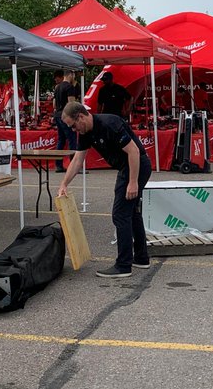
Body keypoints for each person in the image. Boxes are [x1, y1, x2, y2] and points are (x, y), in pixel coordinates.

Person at [57, 101, 151, 278]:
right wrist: (64, 184)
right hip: (126, 167)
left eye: (73, 126)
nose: (73, 130)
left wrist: (132, 182)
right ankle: (141, 258)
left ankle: (123, 266)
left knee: (120, 214)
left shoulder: (109, 124)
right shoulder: (85, 132)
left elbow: (134, 152)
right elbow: (77, 160)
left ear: (81, 117)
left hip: (136, 166)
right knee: (131, 213)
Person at [52, 69, 78, 171]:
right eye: (73, 76)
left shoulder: (57, 87)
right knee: (72, 140)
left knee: (61, 140)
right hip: (66, 116)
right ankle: (73, 166)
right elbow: (71, 104)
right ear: (70, 75)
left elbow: (54, 105)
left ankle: (58, 165)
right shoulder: (69, 87)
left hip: (58, 115)